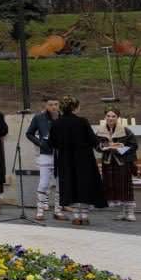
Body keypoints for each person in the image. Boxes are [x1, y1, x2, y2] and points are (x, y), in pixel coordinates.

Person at [49, 96, 107, 226]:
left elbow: (52, 143)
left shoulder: (56, 123)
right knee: (84, 186)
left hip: (65, 160)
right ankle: (84, 216)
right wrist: (103, 145)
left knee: (70, 186)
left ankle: (75, 216)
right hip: (84, 159)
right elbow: (93, 140)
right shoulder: (82, 121)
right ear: (75, 107)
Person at [26, 97, 65, 221]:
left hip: (61, 154)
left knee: (60, 184)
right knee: (43, 183)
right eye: (51, 104)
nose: (53, 107)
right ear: (46, 106)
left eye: (56, 104)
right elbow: (29, 133)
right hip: (45, 154)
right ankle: (40, 211)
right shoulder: (39, 118)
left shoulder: (63, 118)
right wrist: (40, 143)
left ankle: (58, 211)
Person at [97, 108, 138, 222]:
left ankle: (130, 212)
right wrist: (103, 147)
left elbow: (134, 145)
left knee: (125, 186)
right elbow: (96, 145)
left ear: (118, 117)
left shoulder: (125, 130)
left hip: (122, 162)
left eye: (113, 116)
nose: (110, 118)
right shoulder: (100, 131)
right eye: (108, 116)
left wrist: (120, 148)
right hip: (108, 162)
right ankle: (121, 211)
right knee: (113, 186)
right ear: (105, 117)